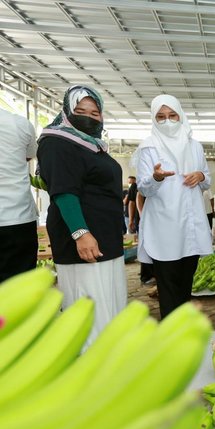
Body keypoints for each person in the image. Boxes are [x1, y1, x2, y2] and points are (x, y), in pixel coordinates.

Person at [36, 85, 126, 345]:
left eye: (95, 113)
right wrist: (81, 233)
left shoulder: (93, 145)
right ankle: (90, 362)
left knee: (107, 300)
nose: (88, 117)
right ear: (66, 112)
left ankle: (110, 354)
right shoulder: (57, 142)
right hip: (83, 237)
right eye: (80, 110)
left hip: (105, 236)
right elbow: (64, 192)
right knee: (88, 303)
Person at [134, 94, 213, 318]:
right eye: (161, 117)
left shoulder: (194, 146)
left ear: (180, 115)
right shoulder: (148, 148)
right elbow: (143, 189)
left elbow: (207, 180)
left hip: (191, 224)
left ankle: (183, 329)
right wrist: (156, 178)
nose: (167, 121)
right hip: (164, 227)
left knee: (185, 282)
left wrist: (199, 175)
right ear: (153, 119)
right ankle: (170, 337)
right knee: (168, 285)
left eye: (172, 115)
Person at [0, 108, 39, 282]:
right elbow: (28, 155)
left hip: (17, 217)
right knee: (18, 286)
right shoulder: (19, 123)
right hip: (16, 217)